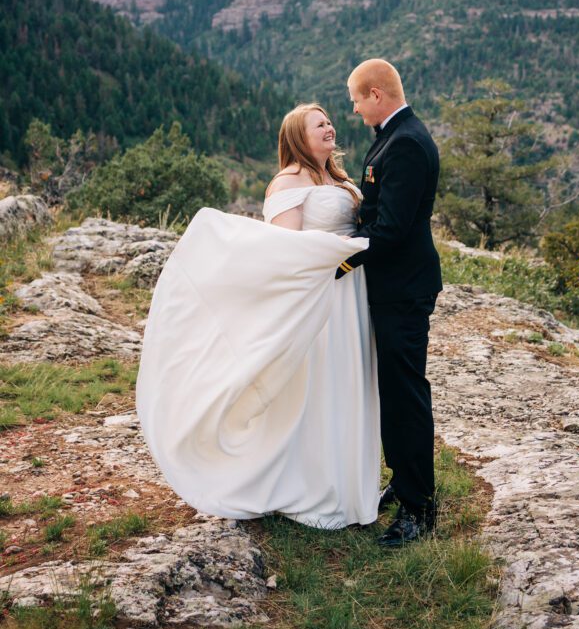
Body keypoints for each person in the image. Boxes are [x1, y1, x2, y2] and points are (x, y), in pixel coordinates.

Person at [136, 103, 380, 529]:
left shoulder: (338, 178)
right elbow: (282, 250)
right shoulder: (288, 181)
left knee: (348, 381)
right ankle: (311, 484)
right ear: (298, 138)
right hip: (320, 296)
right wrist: (339, 251)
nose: (329, 127)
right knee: (319, 387)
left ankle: (347, 483)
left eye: (328, 121)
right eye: (318, 124)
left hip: (351, 293)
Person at [336, 59, 442, 547]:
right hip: (393, 288)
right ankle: (403, 485)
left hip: (402, 290)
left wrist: (339, 261)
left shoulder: (407, 145)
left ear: (376, 94)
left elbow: (392, 230)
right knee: (395, 394)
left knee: (406, 397)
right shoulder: (394, 137)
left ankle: (419, 508)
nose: (354, 110)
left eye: (357, 100)